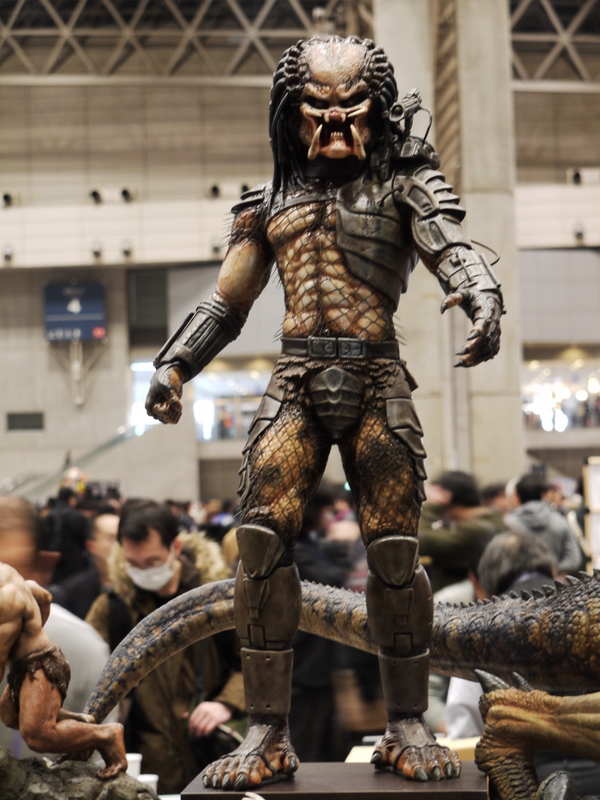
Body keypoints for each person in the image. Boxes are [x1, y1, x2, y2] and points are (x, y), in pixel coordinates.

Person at [145, 35, 502, 788]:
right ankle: (267, 731)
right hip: (297, 378)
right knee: (258, 546)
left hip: (377, 378)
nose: (336, 124)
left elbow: (452, 248)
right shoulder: (268, 202)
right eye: (318, 108)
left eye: (353, 107)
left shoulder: (407, 185)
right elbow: (227, 302)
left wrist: (482, 294)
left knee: (396, 556)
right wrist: (174, 366)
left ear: (377, 110)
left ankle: (407, 721)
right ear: (291, 113)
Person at [86, 500, 245, 794]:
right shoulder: (114, 608)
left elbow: (258, 660)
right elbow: (87, 669)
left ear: (175, 548)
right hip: (146, 762)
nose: (143, 571)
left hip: (213, 757)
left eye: (153, 562)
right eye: (133, 563)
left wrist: (227, 702)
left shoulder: (217, 597)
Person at [0, 498, 126, 779]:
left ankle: (106, 735)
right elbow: (42, 596)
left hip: (39, 664)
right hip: (30, 661)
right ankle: (82, 723)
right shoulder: (13, 580)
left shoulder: (5, 595)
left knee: (38, 734)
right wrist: (36, 628)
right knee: (9, 715)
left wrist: (35, 644)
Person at [418, 471, 503, 594]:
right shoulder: (488, 521)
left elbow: (422, 541)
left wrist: (431, 505)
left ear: (447, 498)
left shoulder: (476, 530)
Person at [504, 475, 584, 575]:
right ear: (543, 495)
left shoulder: (508, 524)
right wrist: (554, 572)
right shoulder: (560, 521)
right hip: (555, 582)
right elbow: (574, 559)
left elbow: (504, 560)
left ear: (517, 497)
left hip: (521, 582)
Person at [51, 510, 119, 620]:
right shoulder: (72, 593)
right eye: (111, 538)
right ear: (91, 546)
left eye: (121, 537)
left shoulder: (139, 584)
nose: (120, 544)